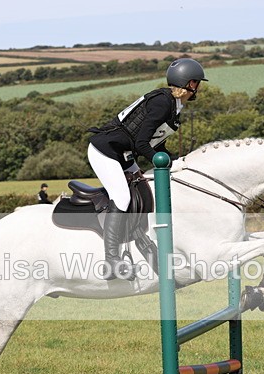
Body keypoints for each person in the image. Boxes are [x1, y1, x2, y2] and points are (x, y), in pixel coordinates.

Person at [87, 58, 207, 280]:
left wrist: (175, 159)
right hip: (105, 151)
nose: (197, 87)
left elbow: (155, 143)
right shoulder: (162, 103)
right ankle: (112, 260)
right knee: (122, 197)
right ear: (188, 83)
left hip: (124, 153)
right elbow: (142, 144)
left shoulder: (172, 105)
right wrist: (161, 161)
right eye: (196, 83)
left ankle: (145, 248)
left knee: (144, 194)